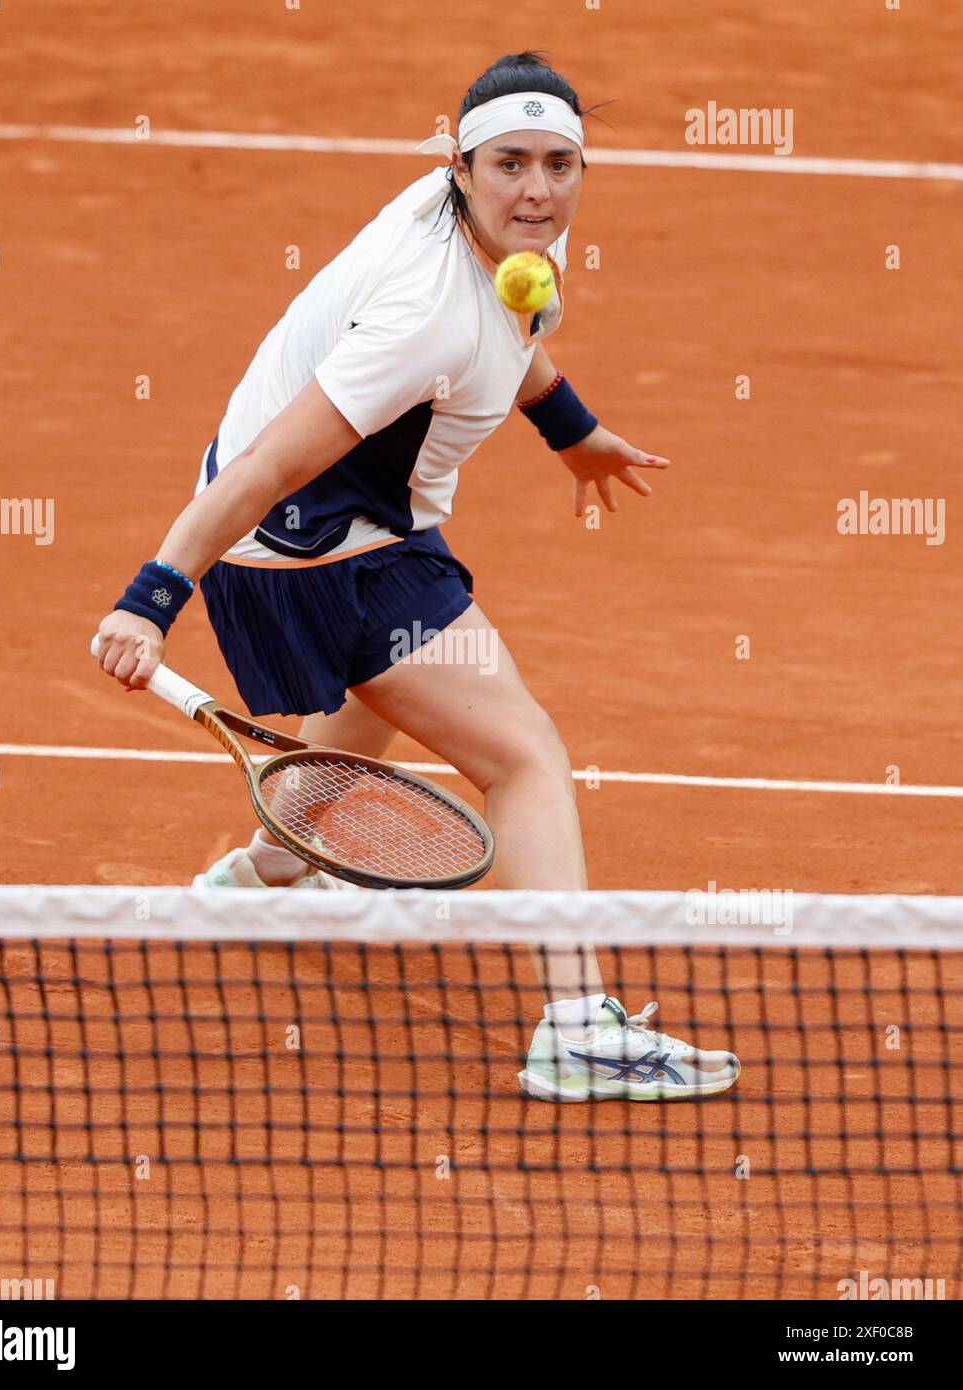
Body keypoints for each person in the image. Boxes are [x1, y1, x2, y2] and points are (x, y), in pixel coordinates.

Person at [94, 52, 740, 1102]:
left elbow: (509, 330)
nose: (536, 190)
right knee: (522, 757)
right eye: (509, 164)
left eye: (559, 164)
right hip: (314, 550)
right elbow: (268, 466)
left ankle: (265, 877)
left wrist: (573, 431)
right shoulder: (422, 316)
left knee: (374, 697)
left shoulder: (496, 229)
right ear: (460, 166)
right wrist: (150, 599)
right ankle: (576, 1031)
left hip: (358, 526)